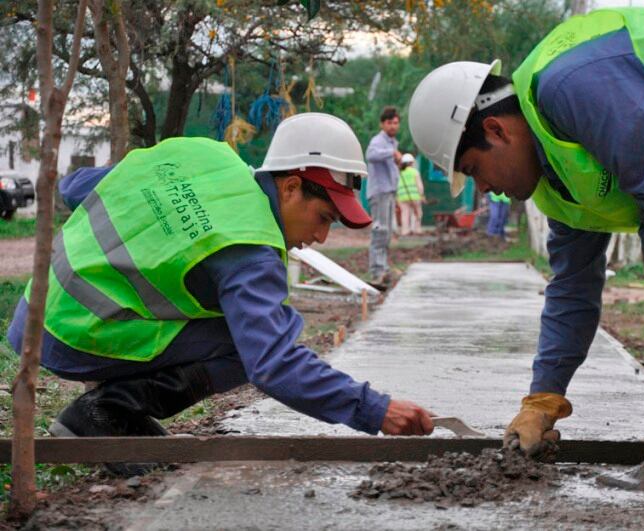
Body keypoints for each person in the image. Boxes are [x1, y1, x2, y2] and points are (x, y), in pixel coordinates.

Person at [408, 4, 644, 497]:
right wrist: (543, 399)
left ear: (496, 131)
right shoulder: (557, 182)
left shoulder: (565, 83)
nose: (482, 190)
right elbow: (573, 290)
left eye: (473, 169)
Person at [7, 113, 434, 476]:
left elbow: (76, 186)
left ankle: (113, 406)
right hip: (75, 336)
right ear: (289, 188)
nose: (320, 237)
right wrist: (376, 409)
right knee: (253, 339)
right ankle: (105, 414)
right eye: (323, 217)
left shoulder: (203, 156)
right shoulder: (251, 250)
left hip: (35, 311)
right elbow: (274, 365)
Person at [366, 106, 401, 287]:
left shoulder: (391, 142)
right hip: (379, 192)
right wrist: (391, 154)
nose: (393, 126)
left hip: (389, 192)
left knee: (386, 233)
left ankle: (384, 268)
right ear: (382, 124)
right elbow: (370, 155)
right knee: (379, 232)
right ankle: (377, 272)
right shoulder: (378, 141)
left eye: (396, 123)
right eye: (390, 123)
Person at [396, 153, 425, 236]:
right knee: (417, 213)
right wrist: (421, 195)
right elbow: (419, 185)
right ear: (411, 163)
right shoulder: (414, 172)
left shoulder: (399, 173)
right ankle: (416, 229)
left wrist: (397, 197)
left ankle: (405, 231)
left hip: (402, 197)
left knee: (405, 213)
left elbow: (396, 185)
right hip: (415, 197)